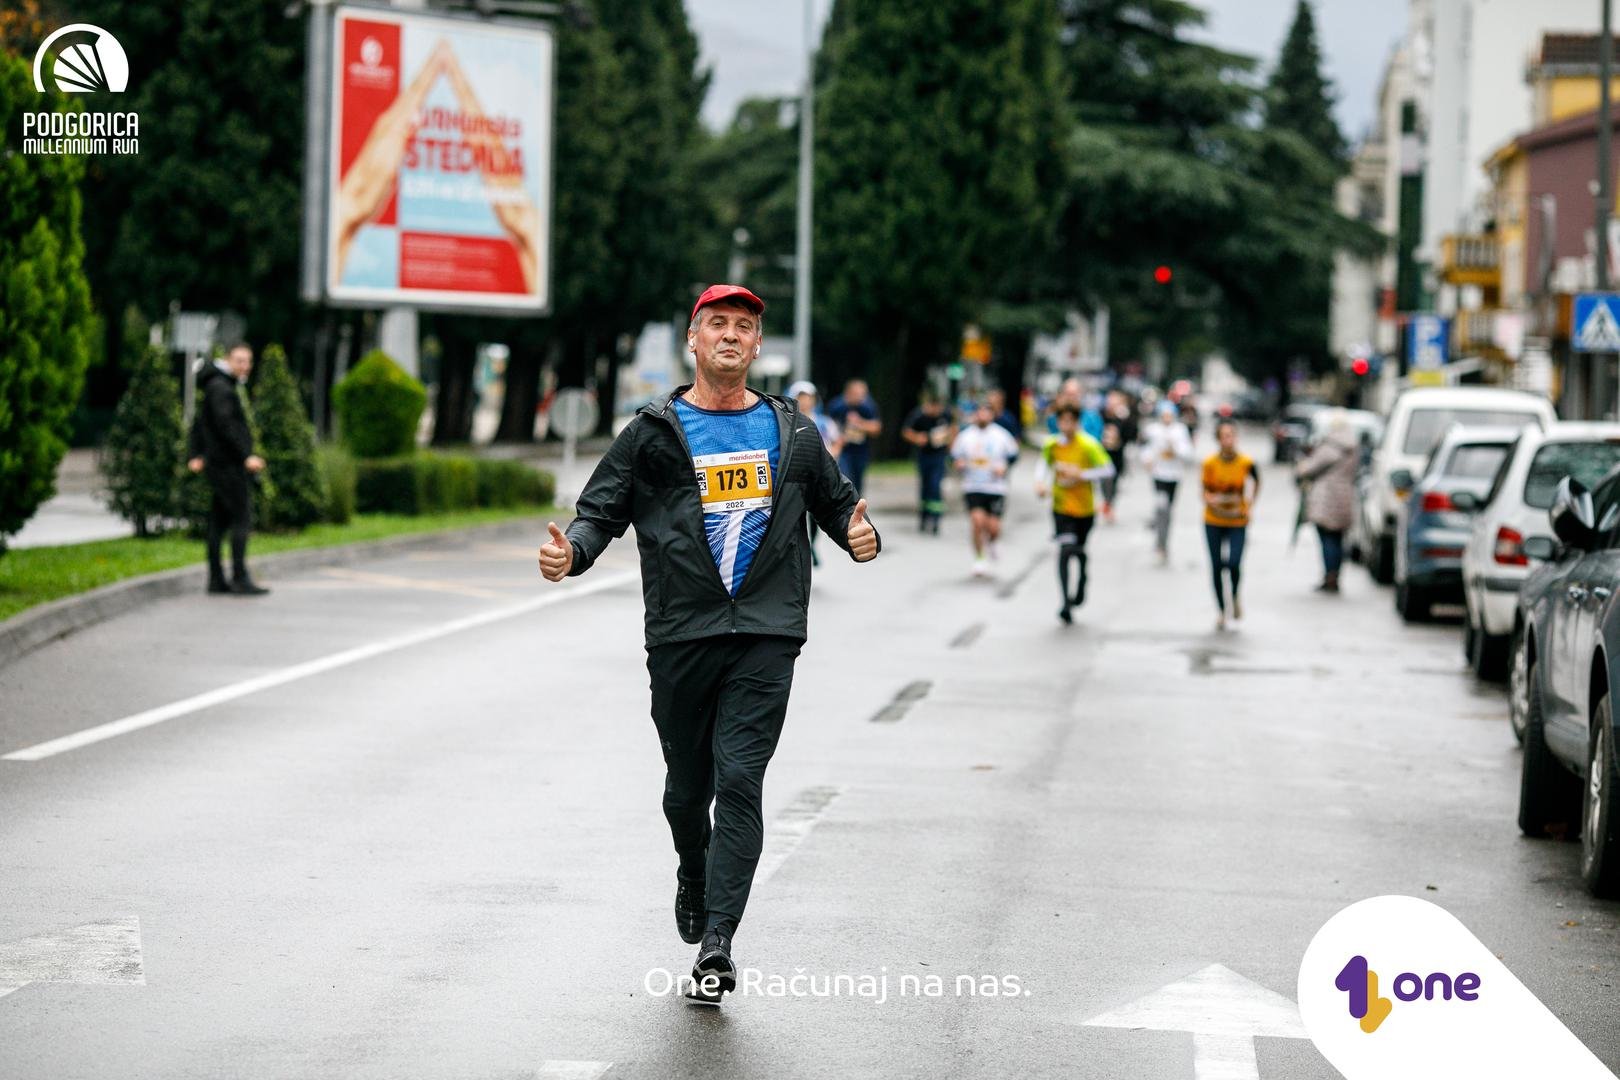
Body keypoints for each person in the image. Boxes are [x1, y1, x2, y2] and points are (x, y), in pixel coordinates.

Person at [536, 284, 879, 1004]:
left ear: (758, 347)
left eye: (744, 327)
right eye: (717, 323)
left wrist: (858, 535)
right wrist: (575, 553)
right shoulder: (651, 432)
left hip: (766, 631)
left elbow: (839, 506)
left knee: (741, 779)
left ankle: (718, 942)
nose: (730, 335)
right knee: (688, 789)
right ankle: (692, 866)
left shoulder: (797, 433)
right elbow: (601, 512)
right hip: (682, 633)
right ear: (694, 340)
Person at [187, 344, 268, 596]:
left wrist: (196, 454)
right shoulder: (221, 388)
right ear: (227, 360)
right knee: (241, 519)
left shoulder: (218, 385)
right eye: (240, 360)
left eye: (248, 361)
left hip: (219, 463)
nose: (245, 366)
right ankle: (240, 578)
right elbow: (225, 426)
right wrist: (247, 456)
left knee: (219, 522)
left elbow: (200, 423)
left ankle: (216, 580)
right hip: (227, 465)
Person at [1035, 403, 1115, 623]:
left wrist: (1082, 474)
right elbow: (1043, 465)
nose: (1066, 425)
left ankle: (1082, 578)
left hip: (1084, 508)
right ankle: (1065, 602)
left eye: (1071, 421)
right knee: (1064, 549)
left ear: (1077, 423)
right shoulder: (1052, 445)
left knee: (1078, 550)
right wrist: (1040, 483)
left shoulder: (1088, 445)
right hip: (1061, 507)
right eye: (1063, 421)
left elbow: (1108, 470)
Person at [952, 399, 1022, 577]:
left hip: (995, 487)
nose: (983, 415)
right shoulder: (965, 436)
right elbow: (954, 456)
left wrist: (1004, 466)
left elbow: (1013, 455)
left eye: (986, 412)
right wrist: (958, 463)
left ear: (992, 415)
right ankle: (979, 559)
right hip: (973, 485)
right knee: (977, 522)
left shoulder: (1001, 435)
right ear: (975, 414)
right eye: (980, 411)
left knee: (993, 528)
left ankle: (993, 541)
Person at [1202, 418, 1260, 629]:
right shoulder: (1210, 463)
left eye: (1232, 435)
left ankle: (1234, 595)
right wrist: (1210, 499)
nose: (1229, 440)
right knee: (1216, 565)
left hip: (1237, 520)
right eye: (1224, 436)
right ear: (1218, 439)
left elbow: (1256, 482)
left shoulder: (1246, 463)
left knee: (1234, 562)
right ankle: (1221, 609)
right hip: (1214, 519)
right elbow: (1204, 490)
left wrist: (1249, 505)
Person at [1294, 410, 1359, 593]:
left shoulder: (1332, 445)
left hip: (1327, 497)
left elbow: (1310, 468)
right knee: (1338, 538)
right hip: (1345, 495)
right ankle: (1335, 575)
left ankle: (1329, 576)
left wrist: (1301, 468)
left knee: (1327, 537)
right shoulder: (1353, 445)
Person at [788, 380, 841, 564]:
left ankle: (812, 545)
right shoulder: (787, 421)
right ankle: (800, 548)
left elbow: (836, 440)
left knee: (816, 514)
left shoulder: (824, 422)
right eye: (800, 397)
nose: (804, 401)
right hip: (795, 476)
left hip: (819, 475)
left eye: (807, 397)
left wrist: (832, 454)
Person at [1138, 401, 1195, 563]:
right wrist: (1147, 460)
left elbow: (1188, 453)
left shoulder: (1180, 430)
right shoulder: (1153, 430)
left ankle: (1163, 539)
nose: (1167, 418)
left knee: (1168, 510)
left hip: (1174, 475)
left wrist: (1175, 447)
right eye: (1164, 415)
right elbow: (1144, 449)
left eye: (1169, 415)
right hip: (1158, 474)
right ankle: (1160, 543)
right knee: (1161, 506)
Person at [901, 389, 955, 534]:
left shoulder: (946, 414)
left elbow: (952, 429)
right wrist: (918, 438)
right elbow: (906, 431)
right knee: (925, 487)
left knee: (935, 485)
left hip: (939, 456)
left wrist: (951, 444)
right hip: (924, 455)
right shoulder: (919, 415)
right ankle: (924, 517)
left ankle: (936, 518)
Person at [826, 379, 882, 495]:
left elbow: (876, 428)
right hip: (843, 450)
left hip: (861, 451)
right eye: (858, 394)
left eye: (863, 394)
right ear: (848, 393)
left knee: (858, 482)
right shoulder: (837, 406)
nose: (861, 398)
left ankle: (857, 507)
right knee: (845, 478)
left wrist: (860, 423)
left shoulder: (868, 406)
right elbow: (827, 426)